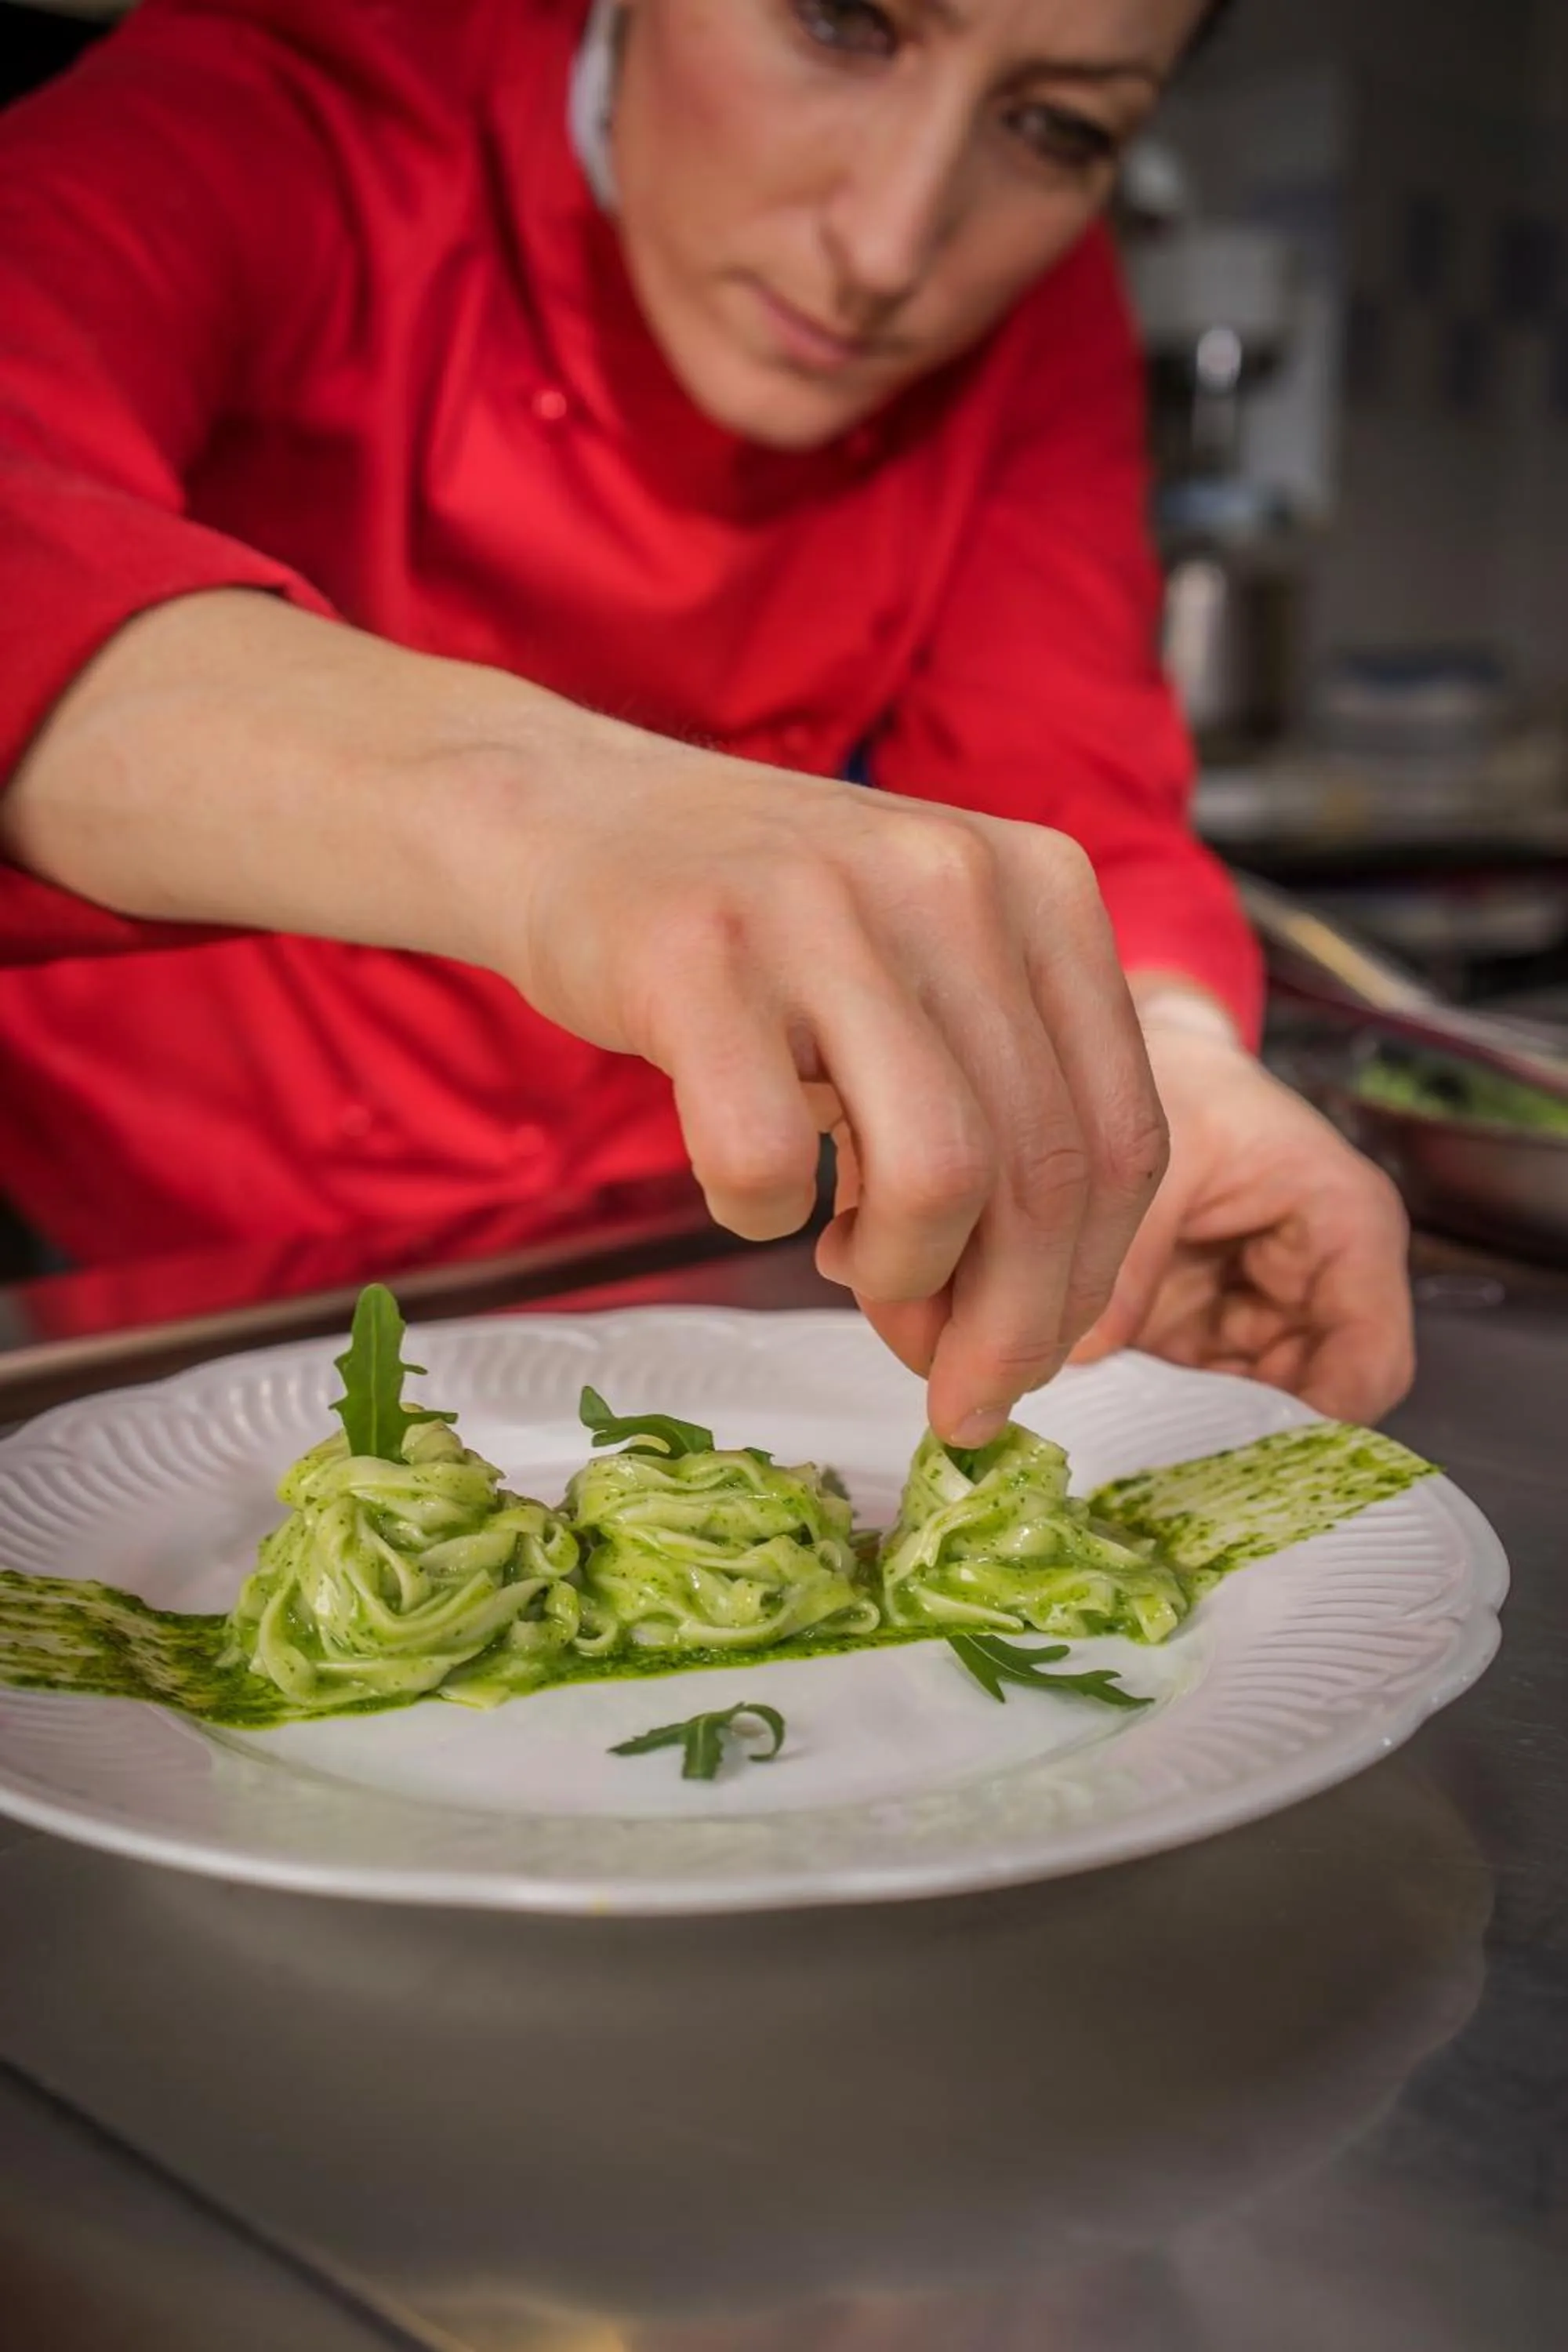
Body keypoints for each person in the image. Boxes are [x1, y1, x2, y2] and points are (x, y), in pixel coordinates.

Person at [0, 0, 1411, 1443]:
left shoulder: (1038, 313)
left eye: (1055, 126)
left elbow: (1068, 796)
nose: (889, 248)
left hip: (671, 1237)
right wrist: (552, 814)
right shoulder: (285, 93)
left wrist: (1162, 1061)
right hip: (174, 1261)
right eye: (841, 23)